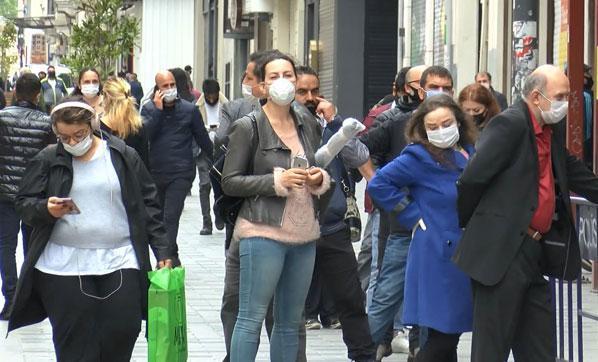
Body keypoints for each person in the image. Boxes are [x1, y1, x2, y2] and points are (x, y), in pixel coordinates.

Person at [7, 97, 175, 361]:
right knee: (74, 340)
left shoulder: (122, 155)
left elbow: (149, 205)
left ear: (92, 125)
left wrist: (164, 250)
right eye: (64, 137)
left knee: (123, 329)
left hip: (120, 259)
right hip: (63, 264)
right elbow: (24, 204)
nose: (72, 142)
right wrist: (45, 209)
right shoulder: (48, 158)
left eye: (79, 134)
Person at [454, 64, 598, 361]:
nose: (564, 103)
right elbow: (471, 179)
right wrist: (481, 227)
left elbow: (572, 171)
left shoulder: (549, 129)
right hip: (501, 252)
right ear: (536, 97)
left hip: (533, 250)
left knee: (539, 345)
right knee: (491, 348)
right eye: (559, 96)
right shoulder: (509, 125)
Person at [222, 50, 331, 362]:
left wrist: (318, 177)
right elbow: (230, 181)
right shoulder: (249, 125)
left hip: (303, 233)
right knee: (251, 317)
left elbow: (320, 167)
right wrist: (275, 182)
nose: (283, 82)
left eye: (288, 76)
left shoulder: (307, 122)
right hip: (261, 231)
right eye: (274, 77)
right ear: (262, 86)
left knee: (290, 323)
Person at [369, 94, 476, 361]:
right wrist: (412, 213)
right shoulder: (418, 157)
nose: (441, 131)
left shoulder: (469, 150)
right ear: (422, 129)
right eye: (433, 127)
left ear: (458, 121)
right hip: (438, 252)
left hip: (467, 250)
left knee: (449, 337)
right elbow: (378, 185)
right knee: (443, 336)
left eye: (446, 123)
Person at [295, 65, 377, 362]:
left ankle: (364, 355)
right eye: (302, 91)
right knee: (289, 309)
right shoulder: (281, 124)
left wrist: (334, 122)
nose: (310, 97)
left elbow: (360, 157)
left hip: (332, 227)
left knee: (351, 298)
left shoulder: (329, 123)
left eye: (314, 91)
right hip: (293, 228)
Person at [141, 70, 213, 262]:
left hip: (181, 173)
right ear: (157, 89)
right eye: (165, 86)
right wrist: (157, 110)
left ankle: (165, 260)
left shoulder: (190, 110)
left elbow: (204, 141)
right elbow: (145, 136)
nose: (170, 89)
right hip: (155, 172)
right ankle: (172, 257)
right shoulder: (148, 109)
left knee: (170, 218)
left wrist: (219, 163)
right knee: (157, 220)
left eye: (172, 85)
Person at [0, 73, 54, 320]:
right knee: (32, 247)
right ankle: (27, 298)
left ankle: (10, 299)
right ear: (36, 94)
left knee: (5, 246)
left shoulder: (2, 119)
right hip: (34, 196)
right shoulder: (46, 122)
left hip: (4, 193)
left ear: (15, 92)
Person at [196, 79, 228, 235]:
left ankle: (219, 212)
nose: (211, 99)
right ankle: (206, 222)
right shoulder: (197, 107)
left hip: (221, 150)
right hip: (203, 151)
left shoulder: (226, 105)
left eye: (213, 96)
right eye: (208, 96)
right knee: (204, 185)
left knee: (220, 185)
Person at [101, 76, 150, 168]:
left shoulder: (98, 129)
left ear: (106, 97)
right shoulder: (138, 126)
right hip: (133, 179)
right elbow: (144, 163)